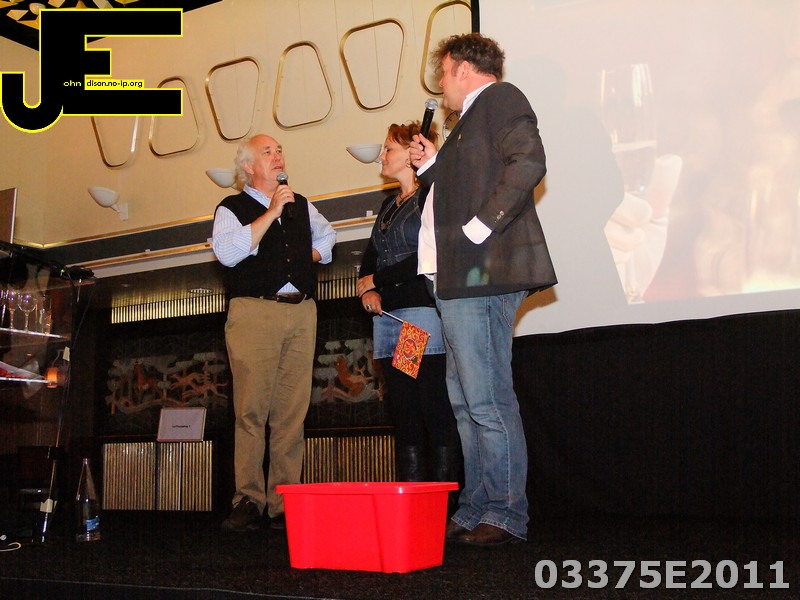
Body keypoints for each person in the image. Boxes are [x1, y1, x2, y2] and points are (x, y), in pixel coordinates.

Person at [409, 33, 557, 546]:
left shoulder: (500, 97)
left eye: (443, 73)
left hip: (481, 275)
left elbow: (528, 161)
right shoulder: (467, 123)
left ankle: (506, 512)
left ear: (462, 68)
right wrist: (433, 164)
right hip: (458, 280)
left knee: (487, 399)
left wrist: (481, 227)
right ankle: (476, 508)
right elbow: (463, 186)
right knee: (466, 401)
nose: (441, 86)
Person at [212, 134, 336, 532]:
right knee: (251, 410)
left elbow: (328, 238)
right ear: (248, 167)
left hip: (301, 312)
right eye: (267, 151)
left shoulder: (301, 204)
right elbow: (227, 253)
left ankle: (284, 502)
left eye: (279, 150)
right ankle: (248, 499)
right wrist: (271, 212)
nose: (277, 155)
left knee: (291, 413)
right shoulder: (231, 207)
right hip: (255, 312)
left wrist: (305, 256)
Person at [356, 121, 461, 494]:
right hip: (388, 319)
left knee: (430, 406)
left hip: (417, 316)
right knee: (403, 410)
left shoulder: (428, 197)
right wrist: (367, 287)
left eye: (388, 149)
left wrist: (378, 280)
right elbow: (371, 256)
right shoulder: (389, 204)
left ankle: (442, 501)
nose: (382, 156)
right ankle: (412, 498)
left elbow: (426, 257)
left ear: (410, 154)